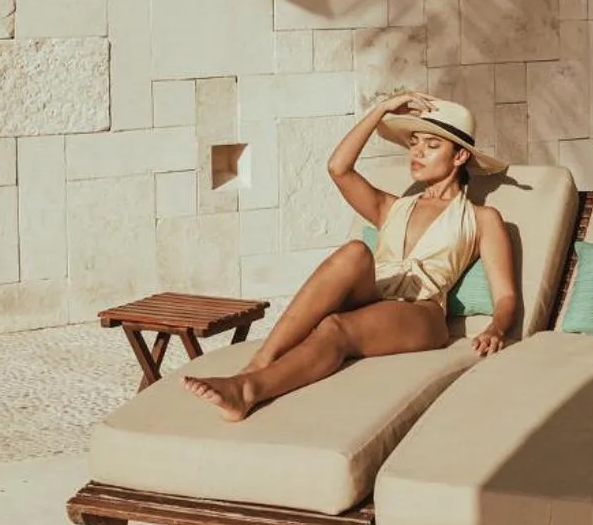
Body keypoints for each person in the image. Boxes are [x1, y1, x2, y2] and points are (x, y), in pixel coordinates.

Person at [182, 93, 516, 422]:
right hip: (375, 294)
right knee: (355, 251)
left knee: (334, 327)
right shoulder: (390, 207)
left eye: (432, 146)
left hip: (422, 312)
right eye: (414, 142)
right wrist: (381, 110)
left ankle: (248, 390)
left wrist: (496, 329)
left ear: (459, 156)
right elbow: (338, 168)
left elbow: (505, 296)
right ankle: (259, 362)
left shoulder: (482, 218)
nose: (416, 152)